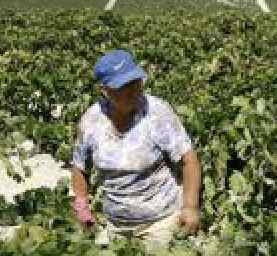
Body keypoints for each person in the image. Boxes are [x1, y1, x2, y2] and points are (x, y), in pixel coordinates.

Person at [69, 49, 201, 244]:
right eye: (125, 86)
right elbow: (79, 166)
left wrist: (190, 207)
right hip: (115, 225)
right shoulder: (91, 121)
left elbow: (189, 161)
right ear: (105, 91)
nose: (134, 90)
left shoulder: (157, 114)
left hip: (161, 222)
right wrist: (82, 209)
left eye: (136, 82)